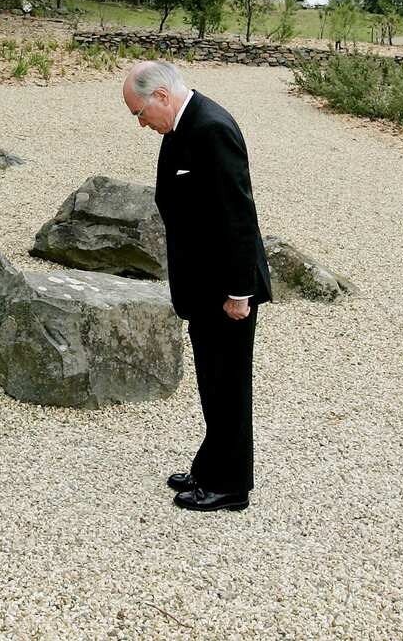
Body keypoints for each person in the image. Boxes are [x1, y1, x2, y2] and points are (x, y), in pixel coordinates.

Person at [122, 61, 272, 512]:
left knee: (228, 384)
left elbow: (238, 213)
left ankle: (230, 486)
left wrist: (240, 290)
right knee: (211, 380)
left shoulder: (212, 128)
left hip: (227, 288)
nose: (141, 122)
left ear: (162, 96)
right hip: (203, 284)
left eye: (140, 112)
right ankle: (211, 465)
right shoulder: (181, 127)